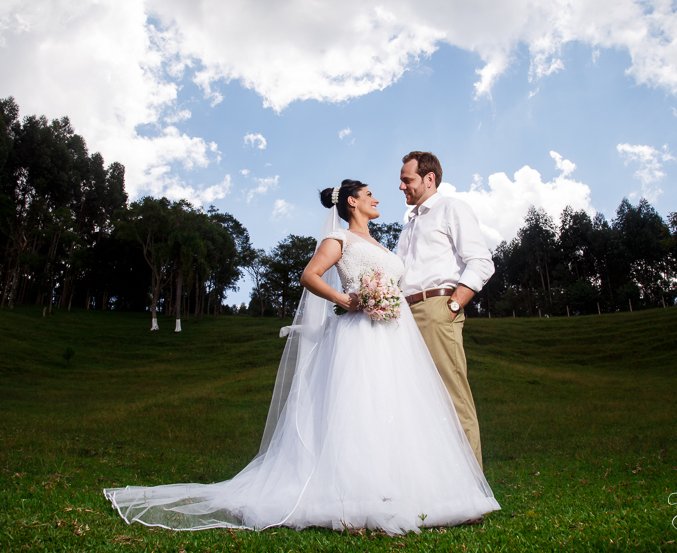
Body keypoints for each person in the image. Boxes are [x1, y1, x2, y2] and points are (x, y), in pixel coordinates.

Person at [104, 179, 499, 535]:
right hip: (359, 336)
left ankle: (395, 486)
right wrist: (348, 299)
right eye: (369, 195)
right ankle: (356, 491)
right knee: (359, 408)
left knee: (394, 407)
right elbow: (309, 276)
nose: (378, 198)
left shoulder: (382, 243)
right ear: (351, 202)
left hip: (394, 338)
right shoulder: (339, 240)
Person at [396, 152, 494, 469]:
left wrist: (453, 305)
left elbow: (480, 261)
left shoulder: (452, 208)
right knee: (418, 401)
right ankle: (436, 483)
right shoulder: (409, 226)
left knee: (453, 397)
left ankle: (473, 489)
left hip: (438, 308)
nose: (401, 187)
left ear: (429, 178)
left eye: (407, 179)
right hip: (404, 318)